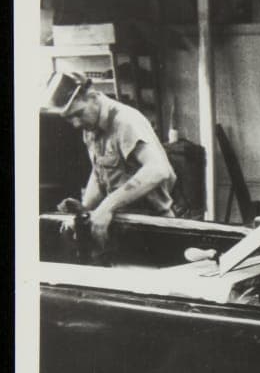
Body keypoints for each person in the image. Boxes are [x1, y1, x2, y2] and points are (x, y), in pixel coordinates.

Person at [42, 71, 177, 245]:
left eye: (78, 114)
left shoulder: (125, 121)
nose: (76, 123)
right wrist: (85, 208)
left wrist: (107, 206)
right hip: (121, 226)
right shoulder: (90, 128)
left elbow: (158, 170)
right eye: (69, 119)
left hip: (153, 226)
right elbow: (100, 171)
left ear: (92, 96)